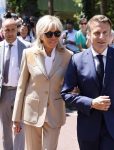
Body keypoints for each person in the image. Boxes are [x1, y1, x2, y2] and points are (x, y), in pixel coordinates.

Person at [61, 15, 114, 150]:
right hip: (88, 129)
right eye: (97, 33)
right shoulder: (77, 60)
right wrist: (91, 103)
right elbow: (66, 94)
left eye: (105, 33)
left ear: (110, 35)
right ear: (89, 35)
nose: (102, 37)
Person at [12, 15, 72, 150]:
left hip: (55, 112)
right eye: (49, 34)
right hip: (32, 111)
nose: (53, 38)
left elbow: (71, 85)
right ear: (40, 35)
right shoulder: (28, 54)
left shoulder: (68, 56)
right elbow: (21, 86)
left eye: (57, 33)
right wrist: (16, 117)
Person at [0, 18, 31, 150]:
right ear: (2, 31)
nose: (10, 33)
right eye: (7, 30)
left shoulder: (28, 47)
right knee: (5, 128)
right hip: (4, 92)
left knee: (20, 127)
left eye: (13, 29)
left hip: (21, 92)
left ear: (17, 30)